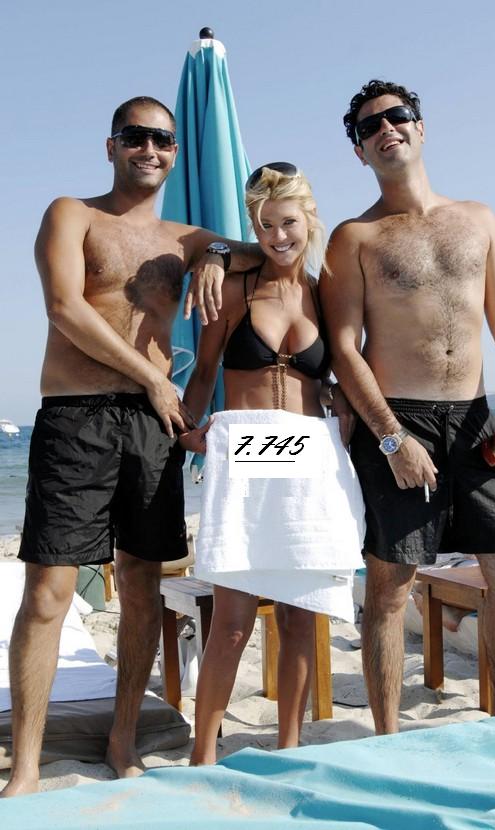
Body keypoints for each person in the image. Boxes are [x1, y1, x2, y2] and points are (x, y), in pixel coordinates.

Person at [2, 96, 261, 798]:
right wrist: (151, 375)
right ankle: (27, 766)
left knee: (144, 585)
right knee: (49, 592)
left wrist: (216, 253)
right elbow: (65, 307)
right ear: (111, 145)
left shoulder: (186, 237)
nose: (150, 149)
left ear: (175, 153)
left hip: (153, 427)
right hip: (76, 417)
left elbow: (265, 254)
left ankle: (122, 740)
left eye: (163, 140)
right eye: (136, 137)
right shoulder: (72, 214)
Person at [319, 80, 495, 734]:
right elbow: (344, 349)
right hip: (397, 420)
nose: (386, 129)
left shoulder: (478, 219)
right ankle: (386, 738)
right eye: (369, 126)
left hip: (476, 421)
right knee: (390, 586)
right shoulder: (354, 237)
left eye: (397, 116)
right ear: (359, 151)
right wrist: (389, 437)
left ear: (420, 126)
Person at [180, 163, 364, 765]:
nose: (277, 236)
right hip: (246, 461)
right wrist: (184, 430)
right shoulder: (235, 289)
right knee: (232, 621)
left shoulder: (325, 293)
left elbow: (341, 368)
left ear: (309, 219)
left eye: (288, 222)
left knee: (298, 618)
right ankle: (202, 756)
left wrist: (340, 400)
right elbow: (205, 372)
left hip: (309, 464)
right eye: (264, 225)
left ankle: (288, 749)